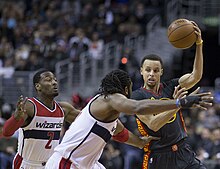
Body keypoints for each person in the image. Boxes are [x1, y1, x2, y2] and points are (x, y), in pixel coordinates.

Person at [45, 69, 212, 169]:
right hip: (66, 163)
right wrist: (179, 102)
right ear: (125, 88)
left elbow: (120, 133)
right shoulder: (109, 99)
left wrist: (140, 142)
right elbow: (137, 107)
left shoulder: (108, 114)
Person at [131, 23, 208, 169]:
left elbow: (195, 76)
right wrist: (177, 103)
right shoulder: (137, 97)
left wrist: (198, 44)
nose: (151, 74)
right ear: (141, 71)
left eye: (155, 70)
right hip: (159, 157)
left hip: (183, 151)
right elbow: (154, 124)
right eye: (148, 70)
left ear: (161, 72)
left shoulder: (170, 86)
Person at [0, 69, 81, 169]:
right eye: (48, 80)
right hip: (27, 164)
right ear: (38, 86)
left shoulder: (63, 109)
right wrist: (16, 118)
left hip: (51, 164)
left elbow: (88, 120)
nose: (54, 82)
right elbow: (6, 132)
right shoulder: (30, 106)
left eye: (55, 80)